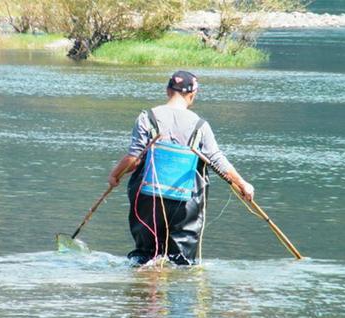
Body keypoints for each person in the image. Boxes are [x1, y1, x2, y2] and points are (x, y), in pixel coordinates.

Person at [108, 70, 254, 266]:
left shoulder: (147, 117)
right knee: (180, 262)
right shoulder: (200, 125)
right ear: (193, 94)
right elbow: (218, 160)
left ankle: (144, 291)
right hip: (185, 202)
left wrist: (115, 175)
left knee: (144, 257)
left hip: (147, 198)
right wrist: (242, 184)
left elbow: (134, 159)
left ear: (168, 90)